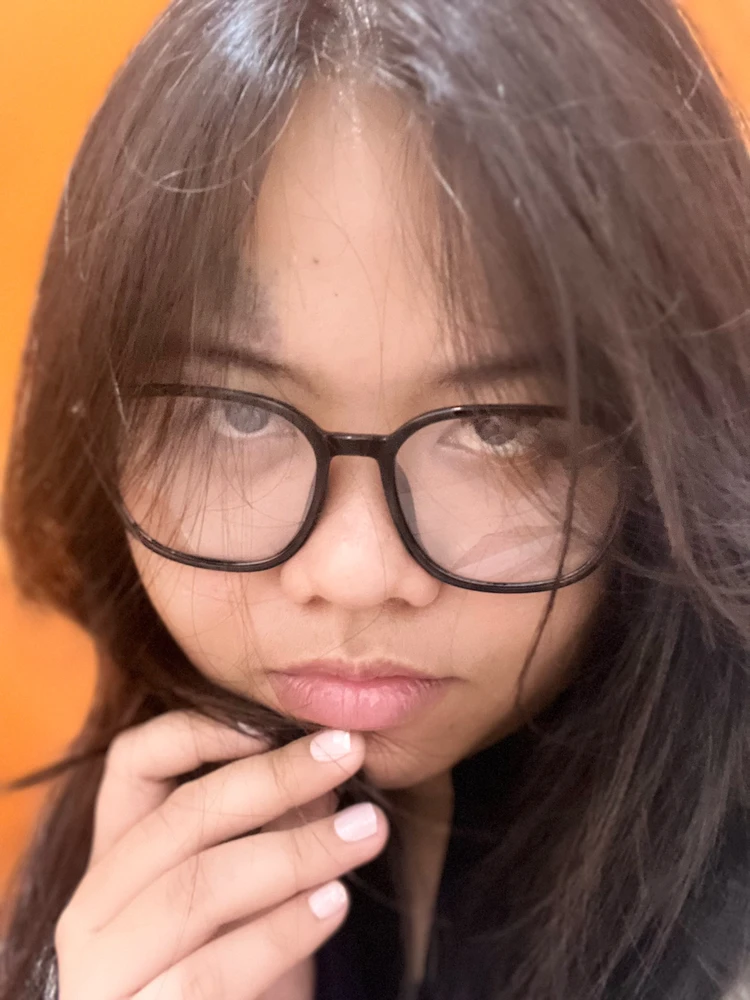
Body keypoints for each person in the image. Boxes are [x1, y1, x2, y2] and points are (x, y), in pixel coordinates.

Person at [2, 0, 750, 997]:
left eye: (494, 426)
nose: (354, 571)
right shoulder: (138, 839)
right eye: (240, 412)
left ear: (668, 439)